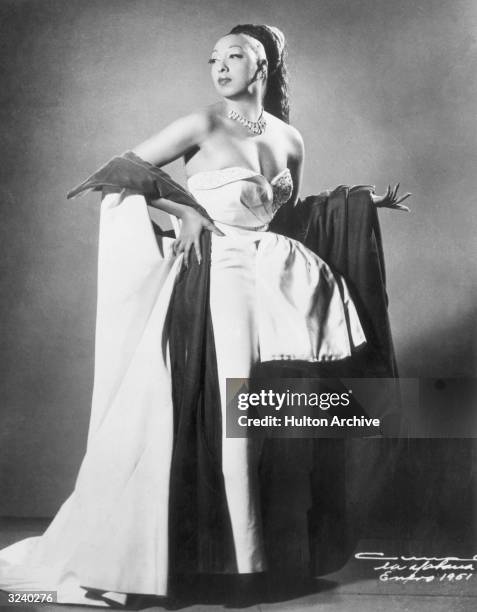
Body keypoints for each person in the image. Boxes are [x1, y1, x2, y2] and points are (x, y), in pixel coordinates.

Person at [0, 24, 410, 608]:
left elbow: (285, 218)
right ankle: (196, 562)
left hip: (270, 285)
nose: (220, 66)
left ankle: (251, 560)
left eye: (234, 56)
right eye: (213, 57)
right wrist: (183, 211)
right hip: (211, 282)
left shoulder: (290, 139)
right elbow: (119, 169)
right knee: (215, 409)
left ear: (262, 64)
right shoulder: (201, 123)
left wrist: (362, 203)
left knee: (263, 416)